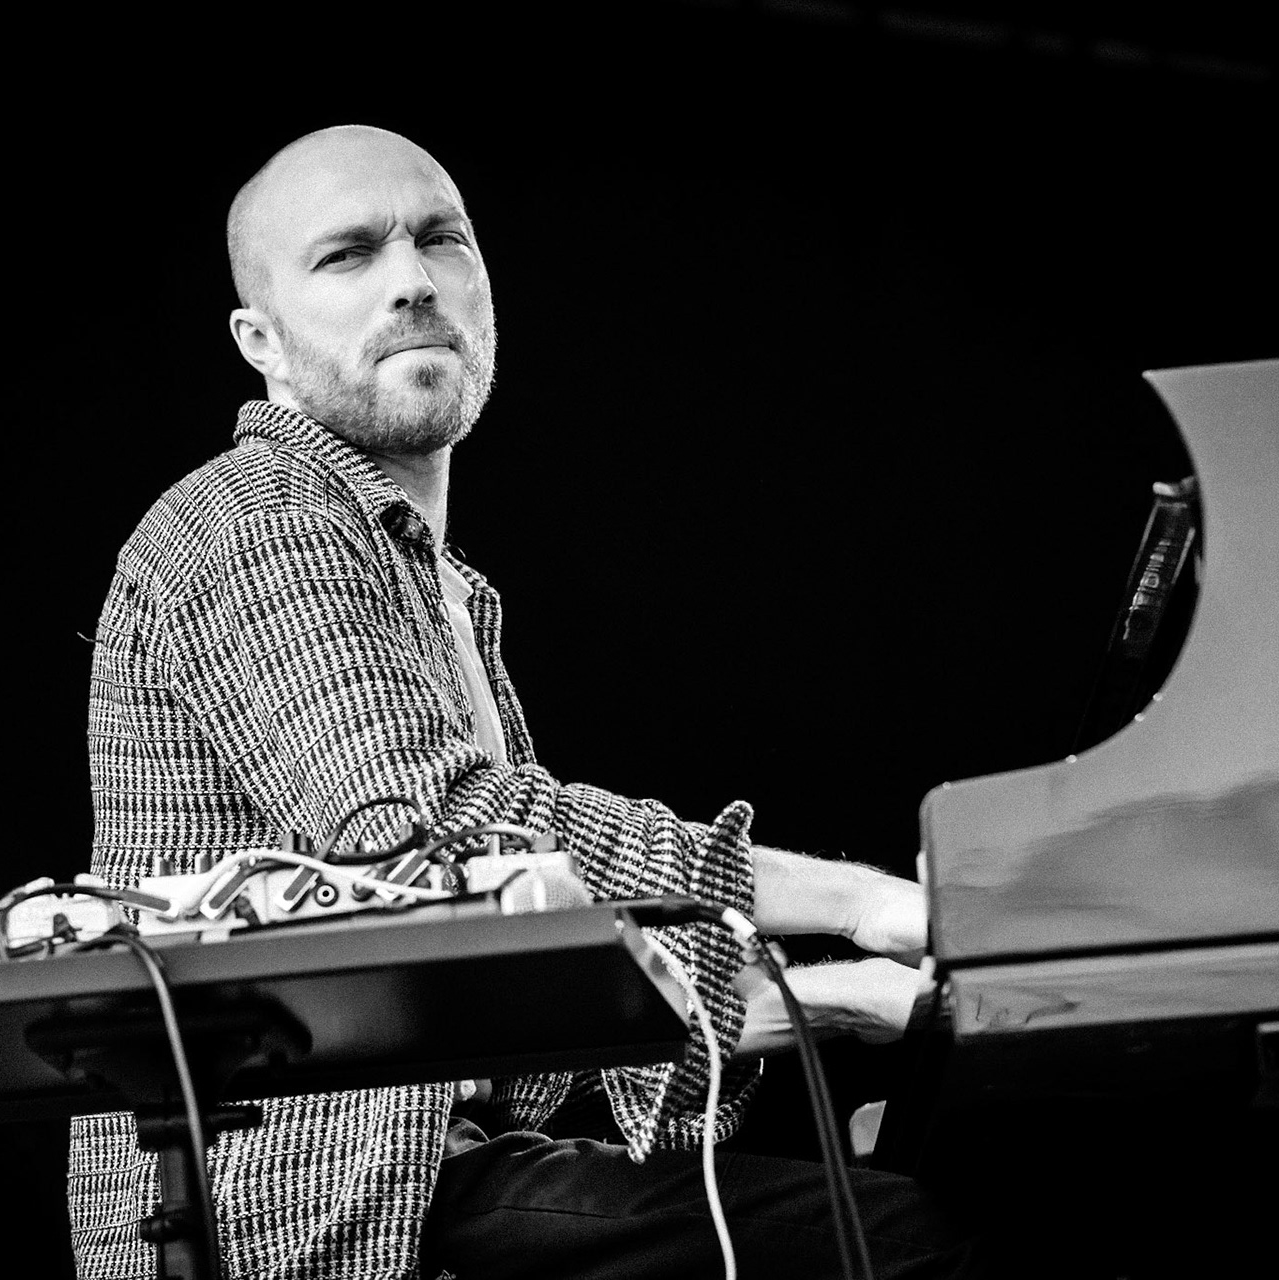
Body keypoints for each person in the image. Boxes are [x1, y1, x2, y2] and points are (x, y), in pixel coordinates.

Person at [71, 124, 981, 1279]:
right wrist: (858, 904)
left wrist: (837, 1002)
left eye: (440, 239)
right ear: (263, 340)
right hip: (306, 1200)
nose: (411, 279)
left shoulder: (436, 583)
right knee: (909, 1240)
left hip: (431, 1173)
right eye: (347, 256)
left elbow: (523, 969)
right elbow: (435, 829)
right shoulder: (258, 519)